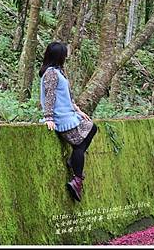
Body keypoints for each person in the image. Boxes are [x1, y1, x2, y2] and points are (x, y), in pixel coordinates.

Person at [39, 41, 98, 201]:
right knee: (78, 145)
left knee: (92, 127)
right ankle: (77, 179)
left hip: (69, 114)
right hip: (61, 117)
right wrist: (49, 117)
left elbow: (67, 95)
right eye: (64, 54)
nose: (66, 57)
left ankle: (73, 161)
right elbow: (49, 95)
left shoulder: (59, 71)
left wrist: (78, 110)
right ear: (59, 56)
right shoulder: (51, 73)